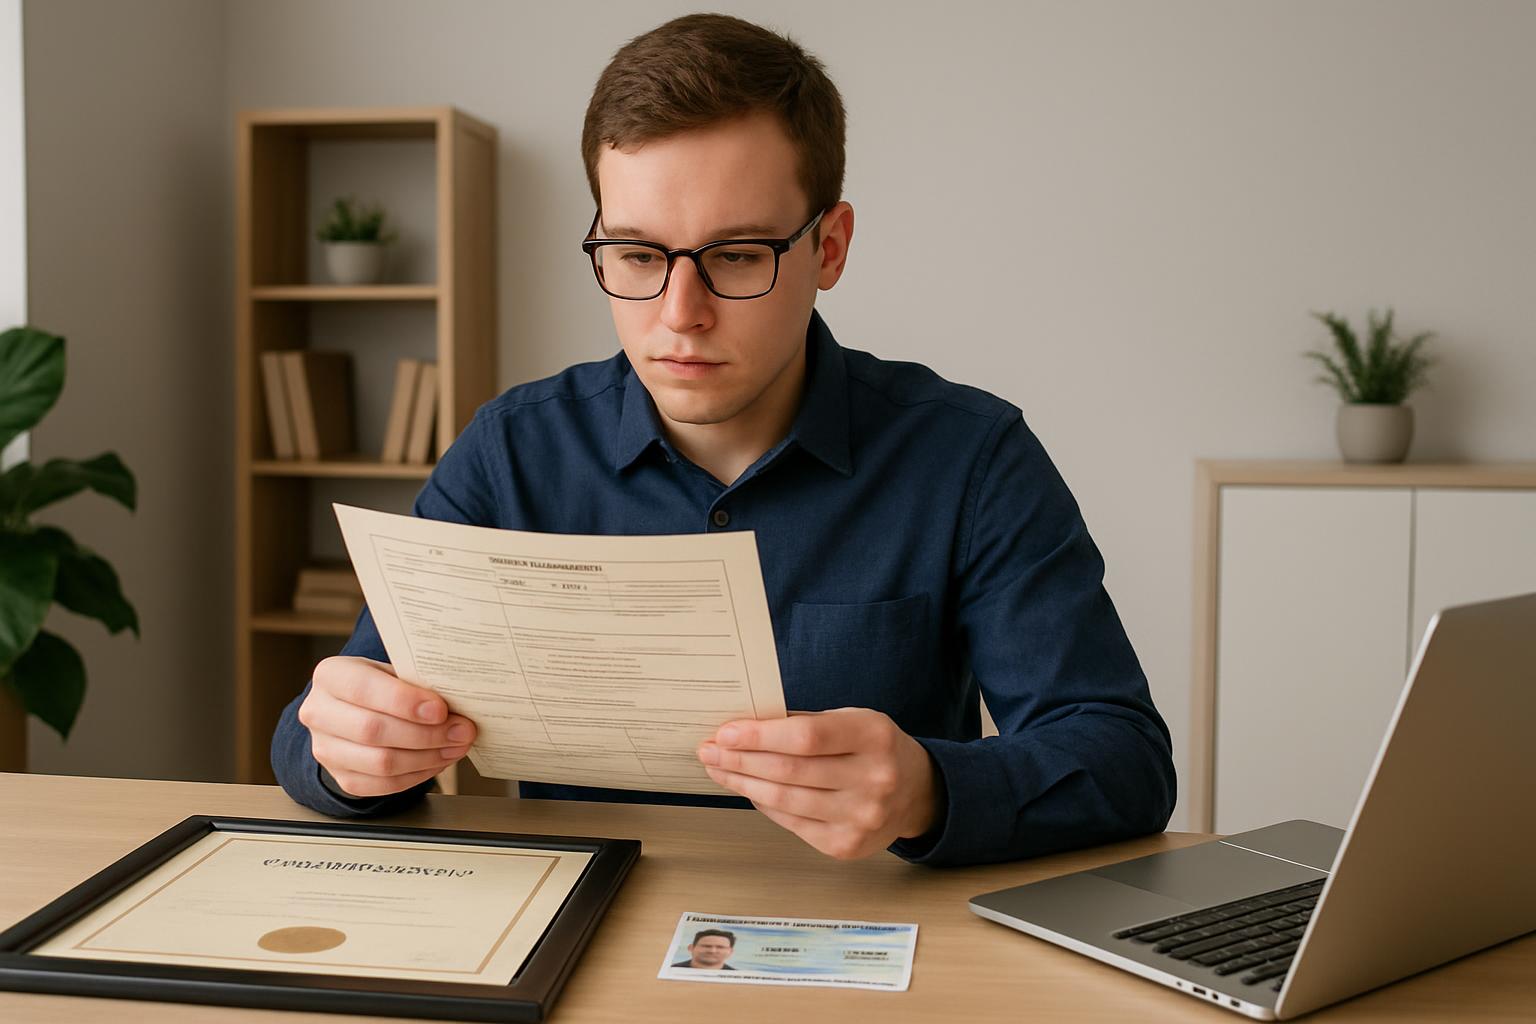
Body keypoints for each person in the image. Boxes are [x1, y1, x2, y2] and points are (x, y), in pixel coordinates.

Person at [272, 13, 1176, 868]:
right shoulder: (514, 453)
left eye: (737, 256)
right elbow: (334, 718)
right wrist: (348, 752)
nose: (679, 316)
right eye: (636, 256)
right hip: (574, 937)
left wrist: (931, 793)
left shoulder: (971, 457)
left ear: (829, 247)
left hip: (873, 951)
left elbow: (1126, 759)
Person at [670, 929, 737, 970]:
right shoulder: (671, 968)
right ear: (691, 948)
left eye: (720, 947)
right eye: (706, 946)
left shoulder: (736, 975)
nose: (712, 951)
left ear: (730, 952)